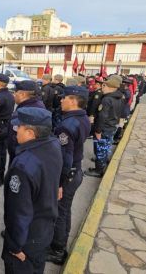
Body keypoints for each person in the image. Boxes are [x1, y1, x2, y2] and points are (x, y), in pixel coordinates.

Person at [3, 107, 62, 274]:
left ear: (30, 133)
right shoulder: (53, 144)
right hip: (44, 229)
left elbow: (19, 212)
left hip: (28, 239)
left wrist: (15, 246)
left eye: (18, 127)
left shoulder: (23, 165)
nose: (15, 131)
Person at [47, 86, 91, 265]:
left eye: (64, 98)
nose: (61, 100)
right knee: (65, 210)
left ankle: (57, 250)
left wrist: (59, 183)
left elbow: (65, 158)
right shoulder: (82, 117)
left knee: (58, 212)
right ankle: (60, 244)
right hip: (76, 171)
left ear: (73, 100)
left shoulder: (67, 125)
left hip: (68, 175)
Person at [85, 75, 124, 178]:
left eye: (104, 86)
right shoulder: (119, 97)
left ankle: (98, 170)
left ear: (110, 87)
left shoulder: (107, 99)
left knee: (100, 149)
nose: (103, 88)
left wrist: (98, 131)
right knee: (106, 146)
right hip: (111, 126)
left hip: (104, 128)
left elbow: (102, 116)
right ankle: (103, 162)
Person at [8, 80, 46, 164]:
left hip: (22, 156)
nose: (14, 95)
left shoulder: (25, 111)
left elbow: (16, 139)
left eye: (15, 92)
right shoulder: (38, 104)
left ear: (22, 94)